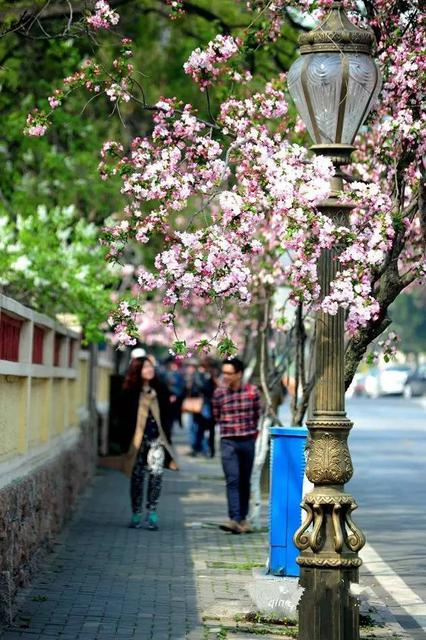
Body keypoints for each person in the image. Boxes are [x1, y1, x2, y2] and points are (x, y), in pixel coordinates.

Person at [122, 356, 178, 530]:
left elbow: (168, 414)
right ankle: (136, 513)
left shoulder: (160, 389)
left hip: (156, 440)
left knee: (156, 474)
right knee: (137, 477)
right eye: (146, 367)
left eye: (151, 366)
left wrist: (167, 437)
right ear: (137, 370)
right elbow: (122, 417)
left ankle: (152, 512)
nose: (150, 369)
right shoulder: (130, 390)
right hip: (137, 441)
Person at [212, 357, 261, 534]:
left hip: (247, 441)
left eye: (229, 373)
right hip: (228, 442)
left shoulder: (252, 392)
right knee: (232, 480)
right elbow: (216, 416)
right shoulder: (219, 393)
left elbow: (257, 415)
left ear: (239, 374)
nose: (225, 376)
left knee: (244, 481)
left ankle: (243, 519)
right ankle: (234, 519)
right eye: (223, 373)